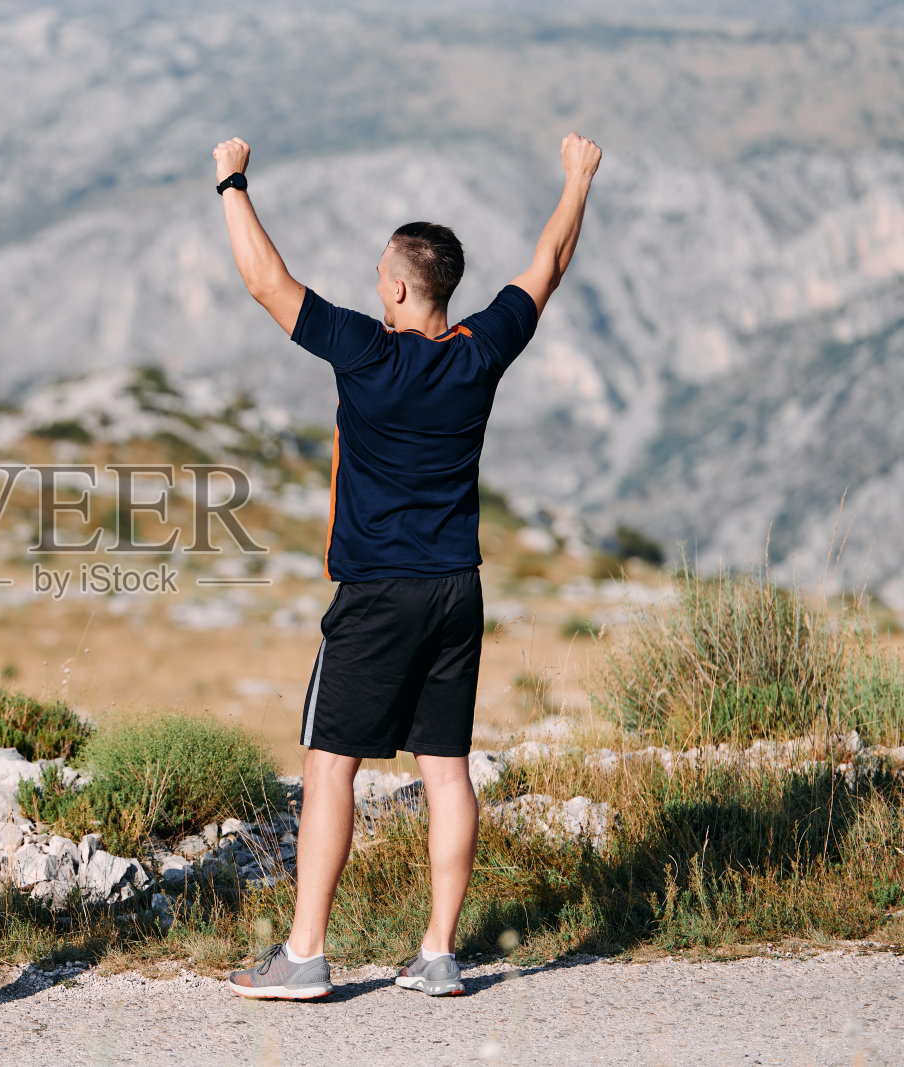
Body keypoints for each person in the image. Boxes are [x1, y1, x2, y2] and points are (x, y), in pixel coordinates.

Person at [216, 132, 602, 1000]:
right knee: (445, 767)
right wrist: (577, 177)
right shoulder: (480, 352)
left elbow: (264, 282)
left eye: (377, 276)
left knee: (329, 764)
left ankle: (306, 956)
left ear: (396, 287)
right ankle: (438, 953)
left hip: (377, 592)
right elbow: (550, 260)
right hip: (455, 588)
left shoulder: (367, 352)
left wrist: (231, 181)